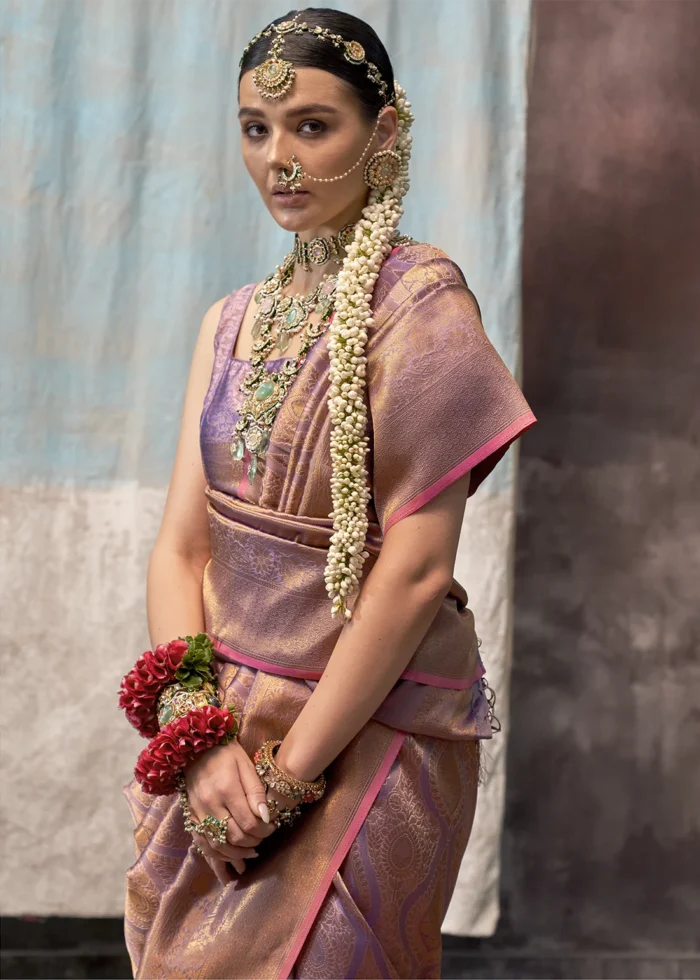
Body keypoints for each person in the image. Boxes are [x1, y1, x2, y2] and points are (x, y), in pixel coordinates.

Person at [121, 8, 537, 979]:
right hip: (224, 726)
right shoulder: (230, 323)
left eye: (313, 125)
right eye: (256, 129)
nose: (279, 159)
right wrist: (201, 739)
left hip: (367, 735)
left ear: (381, 133)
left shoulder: (422, 309)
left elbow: (416, 568)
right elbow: (182, 547)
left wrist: (285, 776)